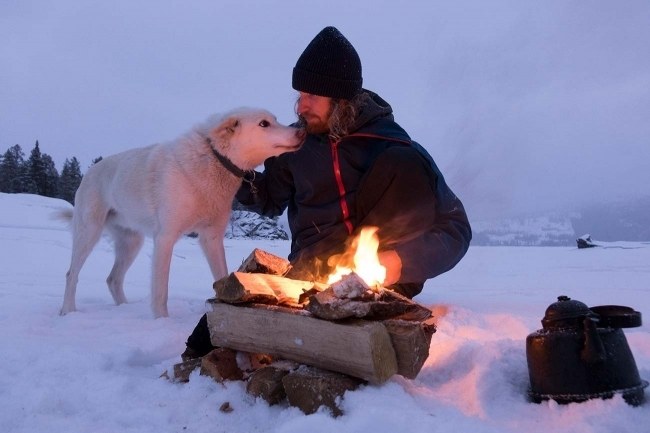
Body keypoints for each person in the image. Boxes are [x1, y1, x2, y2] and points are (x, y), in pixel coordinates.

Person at [182, 26, 471, 360]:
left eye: (312, 96)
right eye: (299, 95)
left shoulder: (393, 147)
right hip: (309, 272)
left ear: (341, 98)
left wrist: (397, 262)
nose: (300, 107)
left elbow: (455, 228)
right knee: (219, 329)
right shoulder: (294, 145)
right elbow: (268, 197)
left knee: (400, 163)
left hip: (377, 276)